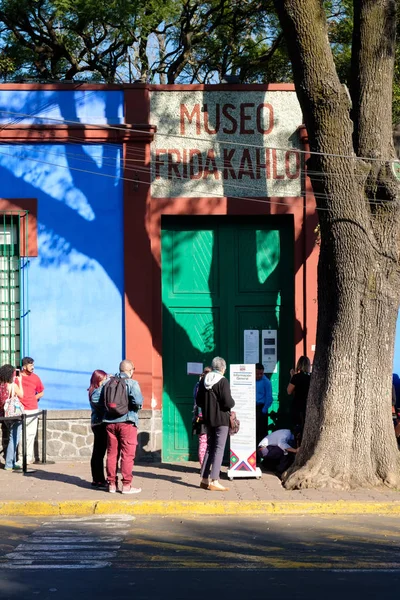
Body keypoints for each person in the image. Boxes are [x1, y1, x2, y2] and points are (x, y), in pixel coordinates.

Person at [100, 359, 143, 494]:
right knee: (127, 455)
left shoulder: (108, 382)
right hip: (127, 422)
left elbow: (97, 398)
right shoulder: (132, 383)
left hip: (109, 422)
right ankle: (126, 485)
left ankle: (112, 484)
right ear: (130, 370)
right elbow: (138, 401)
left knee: (112, 454)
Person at [196, 356, 235, 492]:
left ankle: (204, 479)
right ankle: (215, 480)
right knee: (219, 448)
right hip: (221, 420)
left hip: (208, 419)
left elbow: (199, 400)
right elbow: (228, 402)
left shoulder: (203, 381)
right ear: (223, 368)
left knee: (209, 448)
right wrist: (232, 403)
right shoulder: (223, 381)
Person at [20, 357, 45, 464]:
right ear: (24, 366)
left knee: (30, 434)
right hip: (20, 410)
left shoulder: (35, 378)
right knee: (21, 435)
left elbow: (41, 392)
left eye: (33, 365)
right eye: (30, 365)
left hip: (33, 409)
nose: (33, 367)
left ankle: (28, 457)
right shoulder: (17, 377)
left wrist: (33, 398)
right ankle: (21, 457)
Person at [0, 364, 24, 470]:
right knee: (14, 438)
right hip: (13, 415)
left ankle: (12, 462)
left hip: (4, 414)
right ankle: (9, 463)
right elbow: (22, 394)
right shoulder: (13, 385)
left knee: (11, 437)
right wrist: (20, 381)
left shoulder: (1, 385)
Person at [88, 369, 108, 488]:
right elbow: (97, 400)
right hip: (99, 424)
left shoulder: (95, 390)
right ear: (98, 380)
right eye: (103, 379)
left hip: (98, 424)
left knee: (98, 453)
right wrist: (106, 384)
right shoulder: (95, 392)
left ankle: (97, 479)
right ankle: (99, 479)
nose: (105, 381)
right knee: (98, 453)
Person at [287, 356, 311, 439]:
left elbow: (289, 391)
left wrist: (292, 376)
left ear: (299, 365)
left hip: (297, 405)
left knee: (297, 427)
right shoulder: (311, 377)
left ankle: (297, 445)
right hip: (308, 405)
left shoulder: (296, 377)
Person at [192, 367, 211, 465]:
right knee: (210, 443)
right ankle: (208, 466)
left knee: (202, 442)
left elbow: (195, 399)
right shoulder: (210, 385)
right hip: (210, 417)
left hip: (199, 417)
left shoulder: (197, 385)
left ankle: (203, 466)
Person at [255, 363, 273, 444]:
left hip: (261, 409)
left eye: (261, 374)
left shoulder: (266, 382)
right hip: (251, 408)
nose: (259, 375)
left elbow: (269, 398)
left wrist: (263, 410)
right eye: (257, 373)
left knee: (261, 433)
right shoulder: (250, 380)